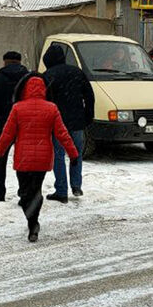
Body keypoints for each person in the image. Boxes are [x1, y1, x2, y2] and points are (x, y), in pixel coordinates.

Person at [0, 74, 79, 242]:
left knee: (25, 193)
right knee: (36, 190)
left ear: (25, 90)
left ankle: (32, 222)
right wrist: (73, 153)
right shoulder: (52, 108)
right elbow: (62, 134)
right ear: (44, 91)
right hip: (42, 158)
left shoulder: (18, 108)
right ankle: (34, 221)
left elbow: (7, 134)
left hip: (23, 159)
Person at [42, 44, 95, 201]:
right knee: (76, 153)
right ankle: (76, 185)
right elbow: (89, 95)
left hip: (57, 123)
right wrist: (88, 115)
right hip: (77, 121)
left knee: (58, 155)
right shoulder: (77, 72)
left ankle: (62, 190)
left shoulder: (48, 75)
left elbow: (44, 101)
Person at [0, 51, 29, 202]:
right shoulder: (28, 79)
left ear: (5, 62)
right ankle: (24, 192)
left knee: (0, 157)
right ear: (20, 62)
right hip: (24, 123)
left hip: (4, 123)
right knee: (22, 159)